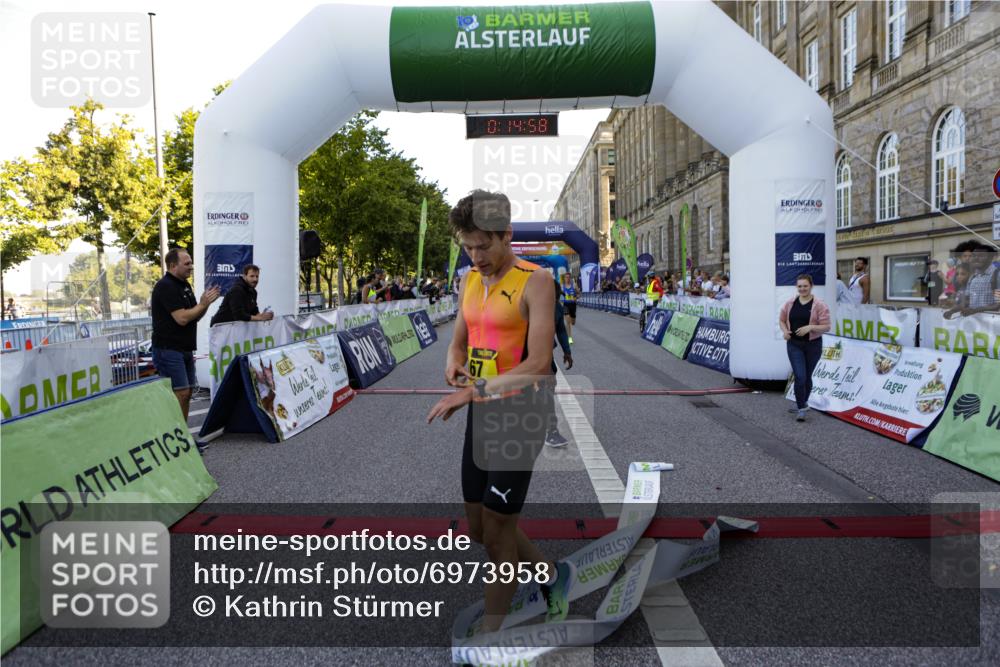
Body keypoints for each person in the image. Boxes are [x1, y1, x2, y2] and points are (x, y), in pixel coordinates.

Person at [426, 189, 573, 634]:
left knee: (499, 532)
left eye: (483, 245)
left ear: (506, 234)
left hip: (521, 413)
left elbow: (537, 364)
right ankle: (550, 575)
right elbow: (460, 337)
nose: (475, 256)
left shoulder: (537, 281)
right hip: (482, 410)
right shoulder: (469, 279)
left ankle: (491, 637)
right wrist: (452, 360)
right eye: (467, 246)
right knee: (480, 528)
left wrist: (474, 392)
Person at [151, 248, 220, 427]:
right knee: (180, 393)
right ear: (173, 265)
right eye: (187, 263)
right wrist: (203, 303)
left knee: (186, 393)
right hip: (168, 349)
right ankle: (175, 435)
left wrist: (205, 305)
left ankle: (183, 437)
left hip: (185, 349)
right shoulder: (166, 286)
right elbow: (181, 318)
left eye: (191, 262)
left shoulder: (184, 285)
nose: (191, 266)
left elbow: (193, 315)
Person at [779, 274, 831, 422]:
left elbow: (827, 326)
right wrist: (784, 332)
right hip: (794, 345)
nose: (802, 289)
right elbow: (782, 320)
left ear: (811, 286)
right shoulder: (790, 303)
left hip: (813, 345)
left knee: (807, 377)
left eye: (805, 286)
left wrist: (811, 327)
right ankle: (801, 408)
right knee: (800, 376)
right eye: (800, 286)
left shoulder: (820, 305)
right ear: (797, 287)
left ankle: (803, 402)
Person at [545, 278, 574, 448]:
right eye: (554, 296)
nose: (556, 300)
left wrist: (567, 351)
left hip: (545, 352)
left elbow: (561, 330)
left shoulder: (557, 306)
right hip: (527, 353)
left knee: (548, 388)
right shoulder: (532, 306)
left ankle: (551, 430)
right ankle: (550, 430)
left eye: (557, 296)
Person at [946, 243, 1000, 318]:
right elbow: (967, 301)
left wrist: (975, 310)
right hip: (976, 325)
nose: (976, 258)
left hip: (993, 324)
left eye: (981, 256)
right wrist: (952, 311)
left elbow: (997, 304)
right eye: (974, 255)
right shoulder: (973, 277)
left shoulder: (997, 275)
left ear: (991, 258)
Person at [210, 264, 274, 326]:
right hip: (220, 328)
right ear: (244, 276)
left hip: (234, 329)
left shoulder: (253, 292)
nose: (255, 279)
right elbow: (239, 315)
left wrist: (264, 316)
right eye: (252, 276)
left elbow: (254, 311)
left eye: (257, 276)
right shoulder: (236, 290)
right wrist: (260, 318)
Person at [560, 272, 578, 344]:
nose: (567, 279)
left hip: (573, 305)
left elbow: (579, 294)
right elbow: (558, 295)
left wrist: (576, 298)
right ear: (564, 278)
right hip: (566, 305)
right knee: (567, 322)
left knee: (572, 322)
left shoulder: (574, 285)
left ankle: (572, 319)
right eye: (566, 277)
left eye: (568, 277)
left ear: (570, 278)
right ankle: (569, 338)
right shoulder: (562, 286)